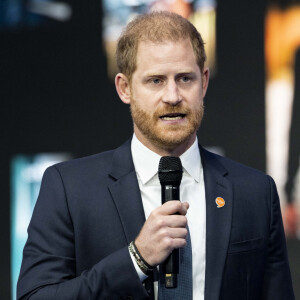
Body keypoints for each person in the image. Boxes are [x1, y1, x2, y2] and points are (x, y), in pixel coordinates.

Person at [17, 11, 294, 300]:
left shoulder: (254, 191)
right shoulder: (69, 189)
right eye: (156, 81)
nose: (172, 96)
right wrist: (136, 259)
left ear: (205, 82)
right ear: (125, 88)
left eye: (185, 78)